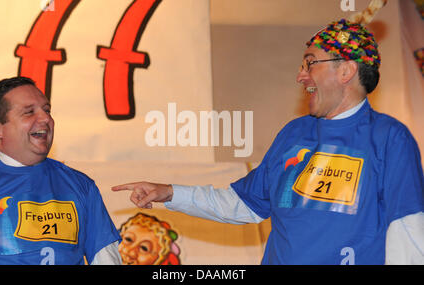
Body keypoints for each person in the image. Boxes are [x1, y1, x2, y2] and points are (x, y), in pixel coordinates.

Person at [112, 18, 424, 264]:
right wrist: (169, 193)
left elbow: (408, 231)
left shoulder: (389, 139)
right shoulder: (294, 133)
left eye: (310, 63)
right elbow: (244, 204)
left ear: (346, 70)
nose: (300, 76)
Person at [0, 76, 121, 265]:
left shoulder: (80, 185)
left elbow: (106, 259)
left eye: (47, 110)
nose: (46, 118)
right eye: (29, 112)